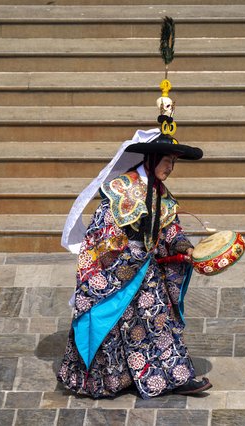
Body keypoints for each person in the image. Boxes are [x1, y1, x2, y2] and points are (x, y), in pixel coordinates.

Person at [57, 128, 212, 399]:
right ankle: (109, 381)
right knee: (114, 327)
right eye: (168, 162)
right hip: (116, 272)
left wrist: (187, 249)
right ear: (152, 161)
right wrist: (131, 255)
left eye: (173, 163)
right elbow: (102, 234)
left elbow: (170, 230)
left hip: (145, 272)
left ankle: (176, 378)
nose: (171, 168)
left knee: (159, 321)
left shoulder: (159, 192)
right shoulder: (121, 190)